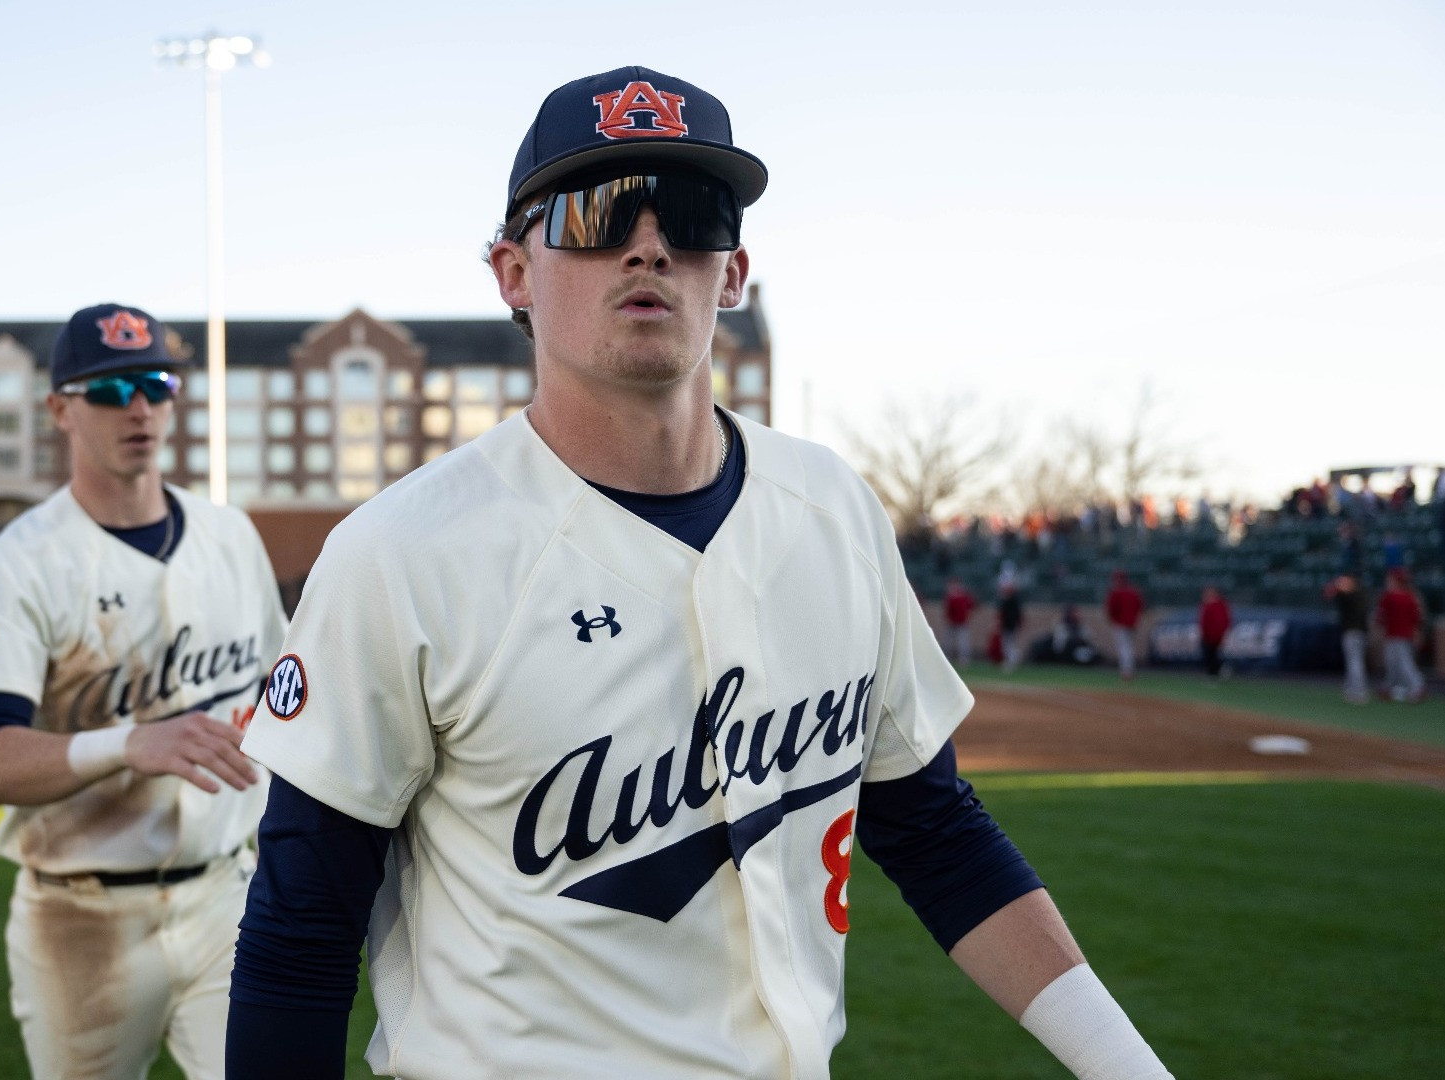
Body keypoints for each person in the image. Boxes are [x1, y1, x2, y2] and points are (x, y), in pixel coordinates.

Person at [226, 68, 1172, 1080]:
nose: (648, 245)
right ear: (510, 270)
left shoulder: (831, 508)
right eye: (594, 214)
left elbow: (932, 825)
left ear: (732, 272)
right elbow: (298, 930)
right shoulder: (403, 552)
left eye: (690, 214)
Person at [0, 302, 286, 1080]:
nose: (139, 407)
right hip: (80, 915)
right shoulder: (18, 562)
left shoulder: (229, 536)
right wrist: (129, 742)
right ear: (59, 407)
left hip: (227, 895)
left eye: (155, 384)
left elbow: (281, 690)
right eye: (110, 388)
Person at [1376, 568, 1426, 703]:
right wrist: (1417, 634)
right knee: (1396, 662)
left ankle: (1417, 687)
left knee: (1401, 663)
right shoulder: (1411, 596)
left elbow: (1380, 618)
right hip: (1405, 635)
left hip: (1394, 635)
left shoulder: (1389, 596)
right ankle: (1389, 688)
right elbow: (1418, 619)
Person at [1326, 572, 1370, 704]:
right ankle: (1352, 688)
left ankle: (1359, 690)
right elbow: (1327, 594)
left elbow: (1332, 593)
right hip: (1356, 632)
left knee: (1355, 662)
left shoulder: (1354, 595)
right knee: (1353, 661)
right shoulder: (1353, 595)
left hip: (1354, 632)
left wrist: (1338, 587)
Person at [1105, 570, 1144, 680]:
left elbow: (1111, 609)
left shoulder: (1116, 591)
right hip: (1132, 623)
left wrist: (1113, 619)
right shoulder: (1134, 590)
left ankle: (1126, 671)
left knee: (1124, 648)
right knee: (1129, 648)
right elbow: (1140, 606)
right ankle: (1130, 670)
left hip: (1120, 624)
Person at [1199, 586, 1232, 681]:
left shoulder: (1219, 605)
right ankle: (1215, 672)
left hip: (1216, 635)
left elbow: (1223, 621)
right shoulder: (1206, 605)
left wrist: (1222, 634)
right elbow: (1203, 621)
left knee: (1213, 655)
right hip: (1207, 635)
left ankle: (1215, 673)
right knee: (1209, 655)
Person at [942, 577, 975, 666]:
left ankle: (963, 659)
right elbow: (948, 609)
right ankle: (947, 657)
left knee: (963, 642)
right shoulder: (950, 596)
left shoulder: (964, 595)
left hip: (961, 622)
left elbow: (971, 605)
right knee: (948, 641)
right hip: (952, 622)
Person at [997, 578, 1025, 673]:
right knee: (1006, 645)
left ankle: (1011, 662)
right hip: (1006, 625)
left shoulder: (1014, 600)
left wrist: (1019, 623)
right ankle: (1009, 661)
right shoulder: (1006, 599)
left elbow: (1017, 614)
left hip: (1011, 625)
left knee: (1010, 645)